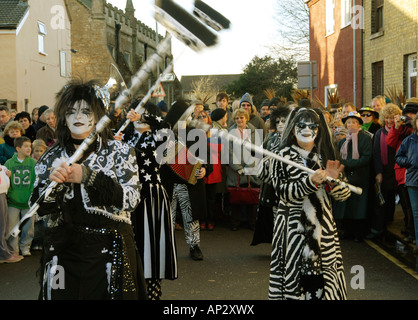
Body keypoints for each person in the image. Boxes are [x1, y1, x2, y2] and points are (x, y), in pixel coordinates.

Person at [29, 79, 146, 300]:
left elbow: (132, 199)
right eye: (71, 111)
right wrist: (52, 187)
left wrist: (89, 177)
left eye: (86, 111)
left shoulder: (120, 151)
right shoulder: (50, 156)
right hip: (63, 257)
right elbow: (36, 207)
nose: (78, 117)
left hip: (111, 254)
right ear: (63, 116)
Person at [268, 107, 351, 300]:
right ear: (293, 127)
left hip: (323, 231)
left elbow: (344, 194)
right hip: (292, 230)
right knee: (295, 284)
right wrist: (309, 182)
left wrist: (334, 184)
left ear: (319, 129)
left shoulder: (326, 155)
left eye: (312, 125)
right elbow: (282, 193)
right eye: (302, 125)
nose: (307, 129)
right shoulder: (281, 156)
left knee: (322, 285)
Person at [116, 100, 177, 300]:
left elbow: (166, 125)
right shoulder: (125, 136)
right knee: (130, 247)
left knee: (152, 247)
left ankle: (153, 293)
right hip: (127, 197)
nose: (135, 116)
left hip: (152, 197)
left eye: (142, 113)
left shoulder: (159, 136)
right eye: (134, 112)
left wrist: (141, 116)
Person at [252, 106, 289, 246]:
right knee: (274, 216)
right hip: (271, 184)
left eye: (284, 121)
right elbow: (260, 154)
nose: (280, 124)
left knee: (287, 217)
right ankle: (277, 247)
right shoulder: (271, 138)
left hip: (287, 185)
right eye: (278, 121)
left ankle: (286, 246)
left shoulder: (293, 140)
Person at [334, 111, 373, 241]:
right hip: (347, 178)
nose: (351, 125)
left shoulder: (365, 138)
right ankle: (348, 231)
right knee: (347, 206)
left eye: (354, 122)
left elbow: (367, 157)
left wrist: (348, 164)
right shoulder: (343, 141)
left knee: (359, 207)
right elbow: (339, 158)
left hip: (361, 177)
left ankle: (359, 233)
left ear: (359, 124)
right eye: (348, 122)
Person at [366, 104, 402, 240]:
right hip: (384, 170)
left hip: (397, 170)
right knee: (380, 202)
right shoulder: (379, 133)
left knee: (392, 201)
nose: (389, 121)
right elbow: (376, 154)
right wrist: (379, 172)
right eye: (386, 118)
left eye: (392, 118)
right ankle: (377, 229)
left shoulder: (401, 131)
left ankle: (388, 226)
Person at [386, 99, 418, 243]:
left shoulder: (414, 130)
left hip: (413, 173)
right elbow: (390, 143)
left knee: (414, 208)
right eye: (407, 114)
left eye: (413, 114)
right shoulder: (401, 129)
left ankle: (412, 231)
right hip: (402, 173)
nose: (409, 117)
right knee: (406, 206)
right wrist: (396, 126)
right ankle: (410, 230)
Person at [227, 108, 262, 231]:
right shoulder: (230, 133)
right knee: (236, 195)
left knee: (251, 195)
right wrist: (238, 167)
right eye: (237, 118)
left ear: (246, 118)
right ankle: (235, 223)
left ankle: (252, 223)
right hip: (235, 170)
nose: (239, 120)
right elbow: (229, 152)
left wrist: (249, 166)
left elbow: (258, 151)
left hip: (251, 168)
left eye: (241, 117)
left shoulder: (254, 132)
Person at [5, 136, 36, 257]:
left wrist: (31, 195)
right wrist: (11, 194)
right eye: (26, 146)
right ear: (18, 148)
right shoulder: (9, 163)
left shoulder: (33, 163)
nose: (29, 148)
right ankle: (14, 250)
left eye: (30, 146)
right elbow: (7, 182)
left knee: (29, 227)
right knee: (12, 227)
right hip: (13, 202)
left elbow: (35, 180)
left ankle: (25, 247)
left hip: (28, 201)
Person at [395, 112, 418, 253]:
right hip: (413, 181)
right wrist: (409, 162)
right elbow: (398, 157)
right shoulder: (409, 140)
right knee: (416, 213)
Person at [197, 110, 222, 231]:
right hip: (198, 167)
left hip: (213, 168)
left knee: (211, 198)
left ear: (208, 119)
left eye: (204, 116)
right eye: (199, 117)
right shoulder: (193, 132)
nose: (202, 118)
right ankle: (202, 220)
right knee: (201, 197)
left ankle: (211, 219)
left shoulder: (214, 132)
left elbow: (218, 148)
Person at [0, 164, 21, 263]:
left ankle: (6, 251)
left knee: (3, 225)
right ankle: (3, 254)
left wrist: (5, 170)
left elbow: (2, 168)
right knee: (1, 225)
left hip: (2, 193)